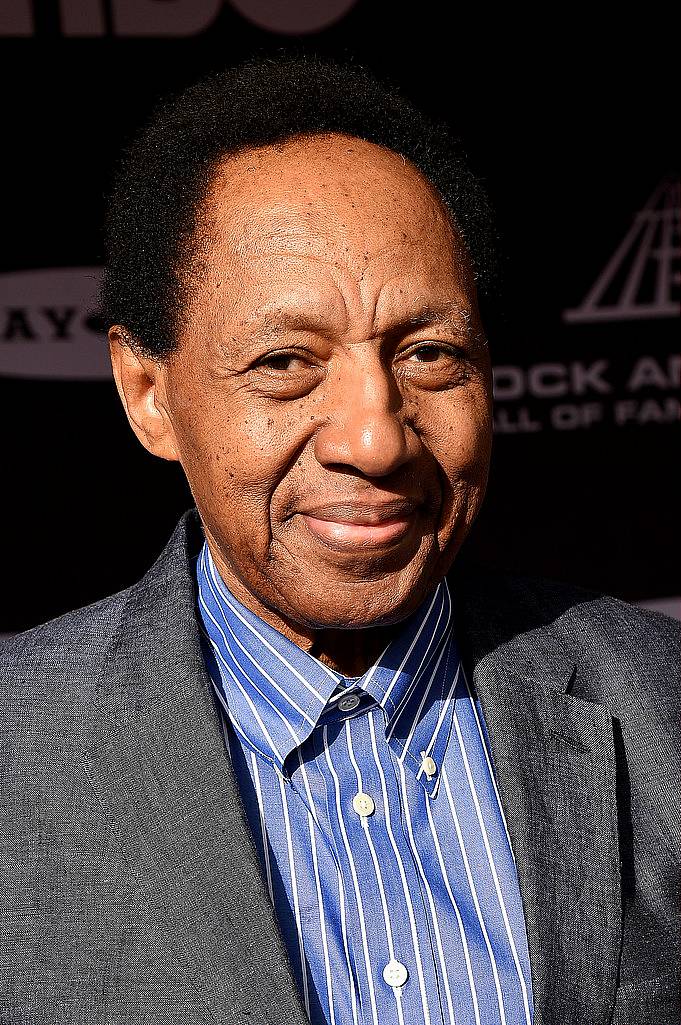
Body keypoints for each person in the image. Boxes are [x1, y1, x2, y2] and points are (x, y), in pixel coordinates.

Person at [1, 54, 679, 1025]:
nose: (376, 436)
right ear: (149, 393)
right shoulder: (16, 756)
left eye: (430, 353)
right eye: (285, 362)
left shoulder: (661, 704)